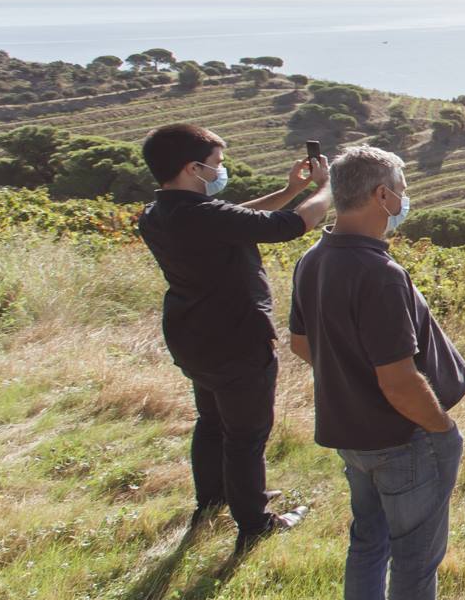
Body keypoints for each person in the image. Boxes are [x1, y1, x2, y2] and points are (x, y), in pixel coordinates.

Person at [287, 145, 465, 600]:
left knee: (367, 545)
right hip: (403, 441)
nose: (403, 200)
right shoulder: (378, 273)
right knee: (414, 560)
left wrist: (348, 381)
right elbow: (399, 378)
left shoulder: (313, 261)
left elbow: (303, 344)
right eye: (399, 189)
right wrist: (441, 427)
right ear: (381, 196)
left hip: (350, 436)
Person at [137, 123, 330, 550]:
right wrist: (326, 188)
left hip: (192, 335)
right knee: (247, 433)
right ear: (193, 168)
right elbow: (292, 226)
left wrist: (289, 188)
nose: (220, 172)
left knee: (211, 422)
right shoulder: (203, 216)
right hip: (236, 336)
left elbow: (241, 219)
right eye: (216, 165)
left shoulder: (159, 213)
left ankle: (214, 498)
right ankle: (255, 522)